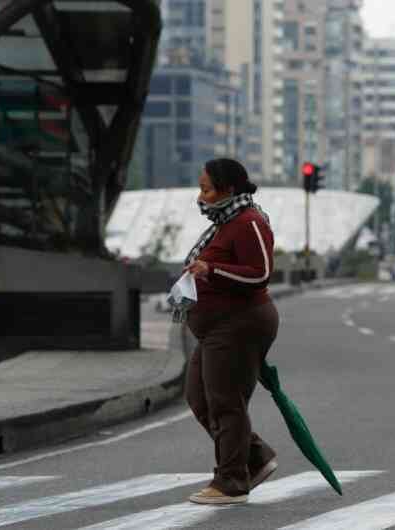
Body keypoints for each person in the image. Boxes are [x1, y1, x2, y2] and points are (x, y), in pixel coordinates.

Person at [178, 158, 280, 505]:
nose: (201, 196)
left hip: (239, 324)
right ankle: (255, 457)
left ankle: (231, 481)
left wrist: (212, 270)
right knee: (200, 397)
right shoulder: (224, 223)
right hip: (215, 328)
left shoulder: (248, 221)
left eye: (206, 189)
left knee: (225, 402)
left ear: (229, 190)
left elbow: (260, 273)